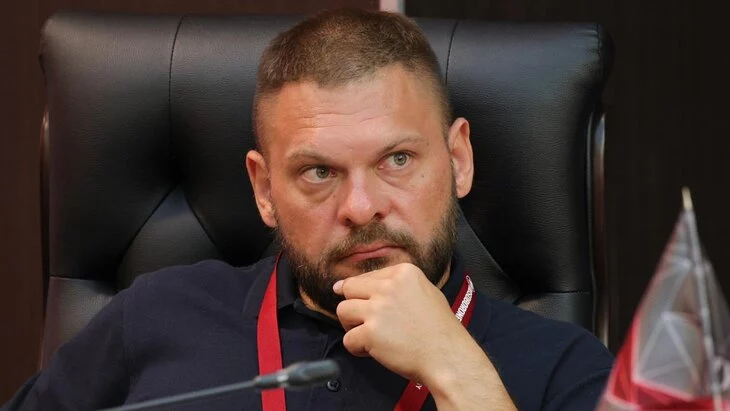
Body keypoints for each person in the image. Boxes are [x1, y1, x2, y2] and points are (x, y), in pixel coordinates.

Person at [3, 8, 613, 411]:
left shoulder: (565, 368)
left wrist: (454, 368)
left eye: (397, 160)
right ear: (264, 189)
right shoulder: (156, 314)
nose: (362, 208)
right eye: (319, 172)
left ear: (458, 160)